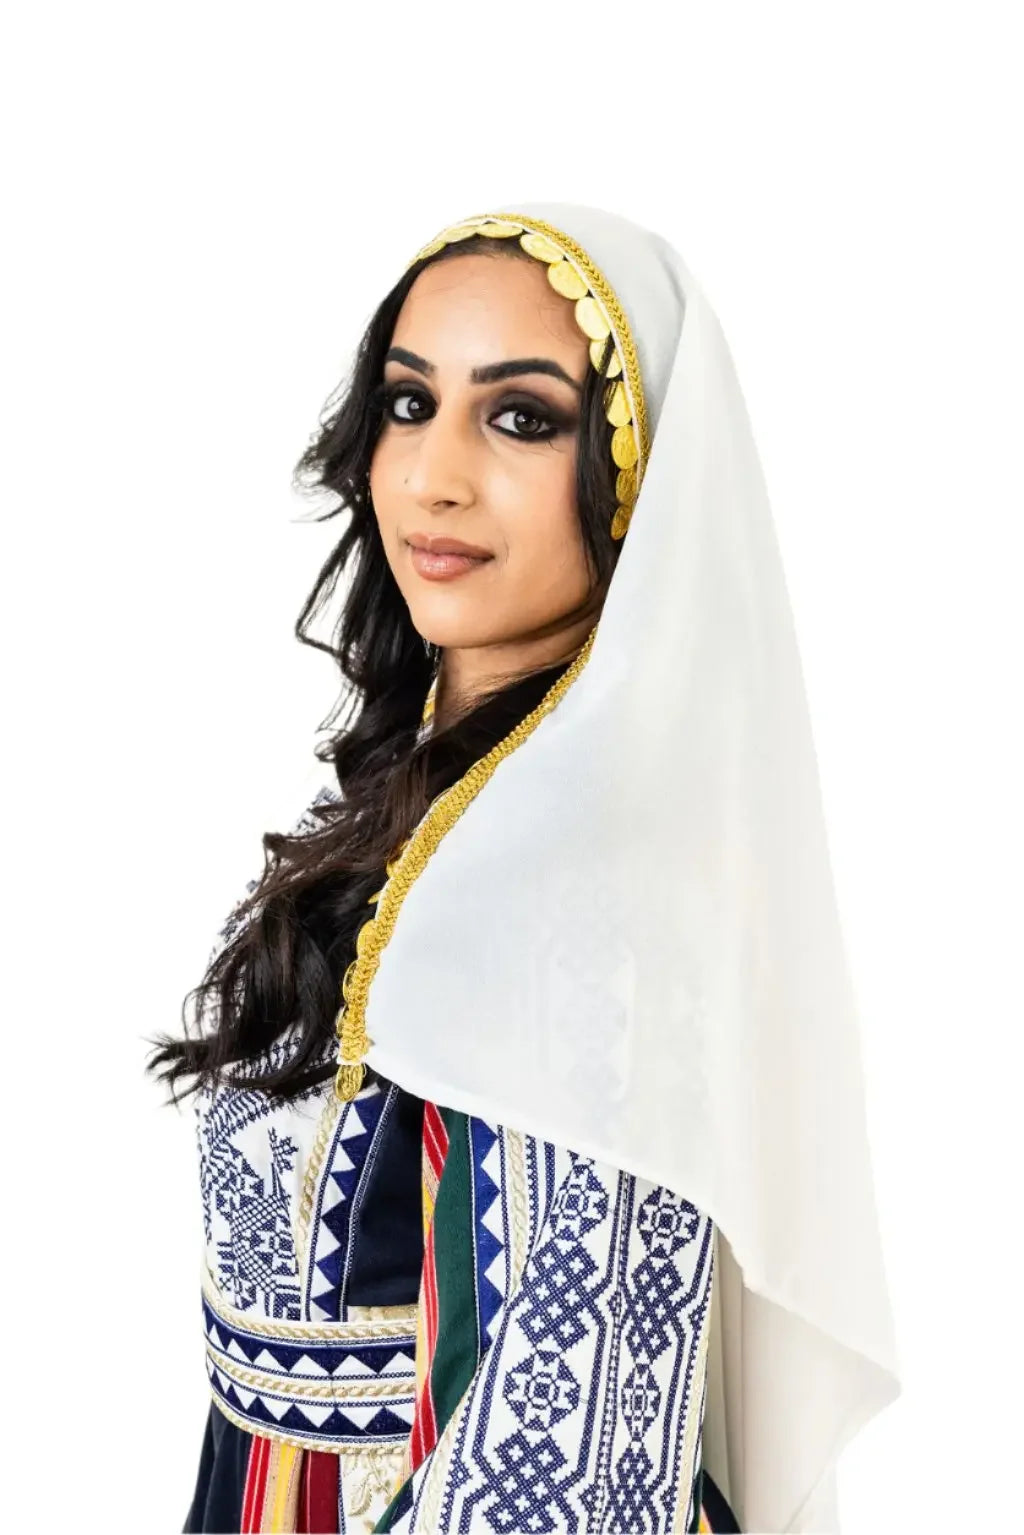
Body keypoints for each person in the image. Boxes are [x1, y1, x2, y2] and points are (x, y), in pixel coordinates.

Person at [148, 202, 901, 1533]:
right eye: (409, 403)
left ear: (635, 470)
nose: (434, 476)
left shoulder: (592, 896)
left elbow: (568, 1446)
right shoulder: (425, 808)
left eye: (520, 417)